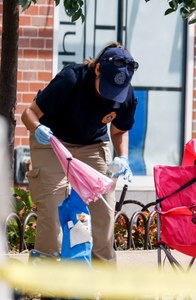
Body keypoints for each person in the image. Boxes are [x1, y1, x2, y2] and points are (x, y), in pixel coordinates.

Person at [21, 42, 139, 264]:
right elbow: (29, 113)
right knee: (53, 204)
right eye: (105, 87)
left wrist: (122, 157)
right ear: (97, 69)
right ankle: (47, 274)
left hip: (92, 145)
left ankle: (102, 274)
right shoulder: (71, 79)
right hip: (52, 142)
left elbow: (119, 130)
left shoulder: (126, 95)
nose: (109, 96)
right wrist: (37, 128)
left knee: (104, 206)